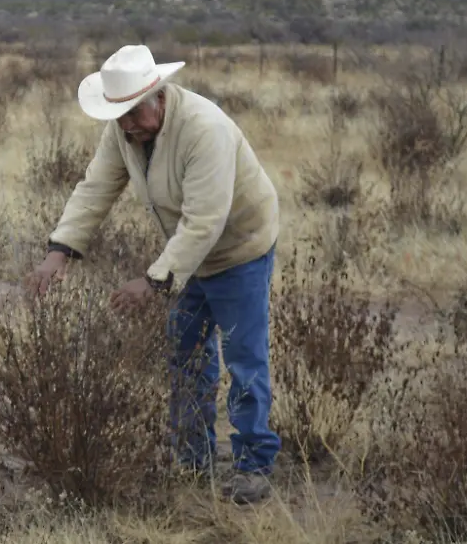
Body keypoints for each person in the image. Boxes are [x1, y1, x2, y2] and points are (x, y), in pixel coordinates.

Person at [25, 44, 281, 505]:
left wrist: (156, 280)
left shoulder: (205, 130)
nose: (126, 124)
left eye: (133, 112)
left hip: (240, 249)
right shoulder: (124, 132)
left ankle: (254, 466)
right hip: (187, 260)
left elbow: (206, 220)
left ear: (158, 96)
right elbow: (96, 188)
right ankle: (192, 463)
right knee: (185, 356)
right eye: (118, 114)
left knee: (245, 360)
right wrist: (59, 251)